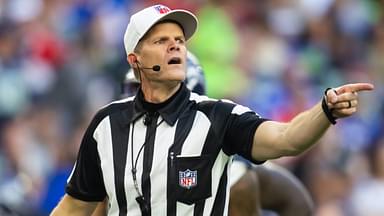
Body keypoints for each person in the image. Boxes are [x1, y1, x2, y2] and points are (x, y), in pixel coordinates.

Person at [51, 4, 374, 216]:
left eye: (179, 39)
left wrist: (325, 110)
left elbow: (287, 139)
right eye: (161, 40)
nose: (175, 44)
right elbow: (77, 204)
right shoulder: (106, 124)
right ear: (134, 60)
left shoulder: (217, 117)